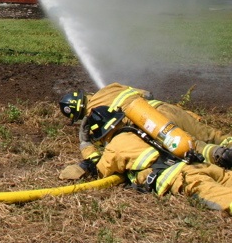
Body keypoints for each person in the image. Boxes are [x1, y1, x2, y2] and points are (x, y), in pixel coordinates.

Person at [80, 105, 232, 214]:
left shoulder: (115, 146)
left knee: (221, 197)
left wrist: (86, 145)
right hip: (198, 166)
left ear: (100, 134)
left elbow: (100, 172)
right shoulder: (144, 129)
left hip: (184, 178)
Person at [59, 83, 232, 179]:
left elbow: (106, 156)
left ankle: (219, 155)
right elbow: (148, 94)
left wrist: (85, 143)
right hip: (163, 109)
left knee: (191, 148)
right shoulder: (110, 87)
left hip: (154, 127)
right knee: (214, 136)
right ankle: (224, 148)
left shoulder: (96, 118)